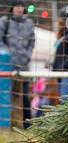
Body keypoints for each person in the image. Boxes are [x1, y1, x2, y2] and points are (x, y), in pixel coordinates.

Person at [0, 0, 35, 128]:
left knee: (25, 96)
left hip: (24, 66)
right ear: (12, 8)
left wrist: (27, 55)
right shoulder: (5, 21)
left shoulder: (29, 23)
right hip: (7, 65)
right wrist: (8, 54)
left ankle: (27, 125)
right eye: (16, 6)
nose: (19, 9)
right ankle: (6, 124)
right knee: (6, 95)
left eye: (21, 6)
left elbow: (32, 42)